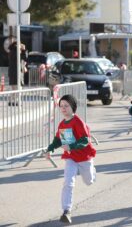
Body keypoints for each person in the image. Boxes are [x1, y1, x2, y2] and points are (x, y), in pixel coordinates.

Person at [45, 95, 96, 224]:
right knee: (68, 182)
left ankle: (93, 172)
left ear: (72, 107)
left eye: (66, 105)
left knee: (89, 181)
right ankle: (66, 211)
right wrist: (50, 149)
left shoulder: (78, 122)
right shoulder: (62, 124)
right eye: (61, 106)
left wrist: (71, 146)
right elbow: (58, 140)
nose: (63, 108)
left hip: (84, 157)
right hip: (71, 158)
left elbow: (85, 140)